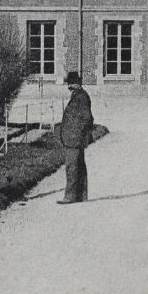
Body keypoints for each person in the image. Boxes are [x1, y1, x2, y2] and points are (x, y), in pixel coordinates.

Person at [57, 71, 94, 204]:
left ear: (75, 84)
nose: (69, 86)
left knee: (71, 166)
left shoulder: (81, 96)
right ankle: (81, 195)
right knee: (79, 166)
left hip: (75, 138)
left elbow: (87, 118)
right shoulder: (79, 95)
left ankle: (70, 196)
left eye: (70, 83)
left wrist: (79, 133)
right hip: (75, 138)